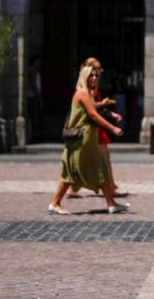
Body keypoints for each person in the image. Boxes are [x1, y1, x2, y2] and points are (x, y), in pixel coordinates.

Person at [47, 64, 126, 215]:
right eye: (91, 75)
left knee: (100, 167)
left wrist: (106, 109)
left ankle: (111, 203)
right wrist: (113, 128)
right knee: (72, 172)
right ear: (84, 76)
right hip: (81, 141)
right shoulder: (82, 93)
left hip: (88, 140)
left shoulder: (87, 93)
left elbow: (95, 109)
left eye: (96, 75)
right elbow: (93, 114)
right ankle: (55, 203)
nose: (95, 78)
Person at [68, 57, 129, 199]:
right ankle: (111, 188)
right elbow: (92, 109)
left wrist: (110, 112)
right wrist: (112, 125)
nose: (100, 72)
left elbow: (94, 106)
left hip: (91, 126)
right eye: (98, 68)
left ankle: (73, 188)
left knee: (84, 159)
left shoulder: (87, 84)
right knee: (103, 158)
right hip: (92, 127)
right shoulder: (88, 87)